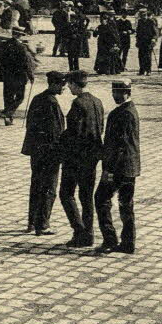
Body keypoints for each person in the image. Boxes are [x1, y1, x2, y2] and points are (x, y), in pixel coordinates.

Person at [94, 79, 141, 255]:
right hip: (130, 167)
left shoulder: (124, 113)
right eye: (114, 92)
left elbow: (121, 145)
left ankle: (110, 240)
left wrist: (110, 170)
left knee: (101, 199)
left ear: (127, 93)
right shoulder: (130, 110)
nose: (115, 95)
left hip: (119, 168)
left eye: (118, 92)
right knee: (125, 204)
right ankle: (128, 243)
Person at [60, 70, 103, 248]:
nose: (68, 88)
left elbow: (73, 133)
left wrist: (61, 143)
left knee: (66, 194)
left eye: (69, 84)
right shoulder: (97, 101)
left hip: (76, 157)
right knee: (86, 197)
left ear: (74, 84)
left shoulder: (78, 103)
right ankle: (89, 234)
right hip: (92, 156)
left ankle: (79, 231)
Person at [22, 71, 66, 235]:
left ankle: (32, 222)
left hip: (36, 151)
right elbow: (55, 132)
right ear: (53, 84)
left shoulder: (37, 98)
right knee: (49, 188)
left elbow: (30, 125)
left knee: (36, 185)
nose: (64, 88)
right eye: (61, 85)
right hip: (49, 153)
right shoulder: (51, 103)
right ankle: (43, 224)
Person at [0, 28, 37, 126]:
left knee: (8, 97)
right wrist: (31, 76)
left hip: (7, 75)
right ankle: (7, 112)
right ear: (19, 35)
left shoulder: (4, 45)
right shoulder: (21, 47)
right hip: (19, 76)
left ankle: (8, 119)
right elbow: (26, 63)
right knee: (20, 97)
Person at [135, 9, 158, 76]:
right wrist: (137, 40)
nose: (143, 16)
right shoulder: (140, 21)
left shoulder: (151, 21)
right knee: (141, 56)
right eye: (142, 15)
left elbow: (155, 32)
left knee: (148, 56)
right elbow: (138, 31)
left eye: (144, 15)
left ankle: (148, 70)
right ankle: (142, 70)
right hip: (141, 41)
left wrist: (154, 39)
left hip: (148, 41)